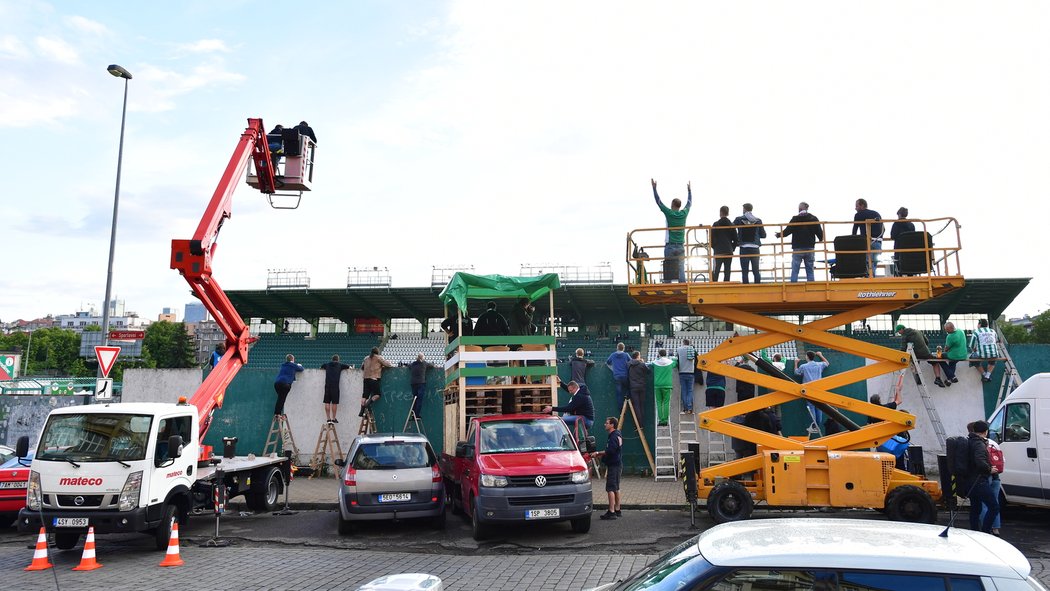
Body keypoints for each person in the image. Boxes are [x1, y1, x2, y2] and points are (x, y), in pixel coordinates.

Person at [959, 420, 999, 533]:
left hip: (969, 481)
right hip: (979, 481)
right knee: (994, 507)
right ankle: (985, 532)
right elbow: (980, 461)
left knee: (976, 508)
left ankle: (975, 531)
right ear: (985, 432)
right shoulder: (979, 444)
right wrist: (989, 469)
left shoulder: (969, 441)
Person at [651, 178, 692, 283]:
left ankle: (668, 285)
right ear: (679, 206)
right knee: (681, 267)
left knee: (668, 266)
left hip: (670, 245)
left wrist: (654, 189)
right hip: (681, 245)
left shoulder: (669, 213)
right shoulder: (684, 213)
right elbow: (689, 203)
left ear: (673, 205)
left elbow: (658, 202)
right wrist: (689, 191)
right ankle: (683, 284)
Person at [775, 202, 824, 282]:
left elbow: (787, 231)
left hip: (798, 247)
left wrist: (779, 235)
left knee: (795, 269)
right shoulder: (813, 218)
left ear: (799, 209)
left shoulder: (795, 219)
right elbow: (819, 231)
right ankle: (811, 286)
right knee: (810, 269)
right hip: (810, 247)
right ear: (807, 208)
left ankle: (793, 285)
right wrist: (820, 238)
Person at [596, 416, 623, 520]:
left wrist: (598, 453)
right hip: (617, 464)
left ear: (612, 425)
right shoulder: (617, 434)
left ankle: (611, 512)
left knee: (610, 488)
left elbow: (610, 451)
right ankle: (617, 509)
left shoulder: (613, 436)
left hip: (614, 465)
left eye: (607, 423)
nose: (605, 424)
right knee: (616, 487)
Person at [795, 351, 829, 432]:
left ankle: (814, 426)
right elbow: (827, 363)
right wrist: (821, 355)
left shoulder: (804, 366)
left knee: (811, 407)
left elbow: (796, 372)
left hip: (808, 390)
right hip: (819, 389)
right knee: (819, 407)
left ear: (807, 357)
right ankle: (817, 426)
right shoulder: (819, 365)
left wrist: (796, 363)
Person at [733, 203, 766, 284]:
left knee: (745, 271)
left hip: (744, 248)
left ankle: (745, 287)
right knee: (756, 270)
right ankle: (758, 286)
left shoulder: (739, 219)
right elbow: (763, 235)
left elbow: (730, 228)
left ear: (744, 209)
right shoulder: (758, 220)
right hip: (755, 248)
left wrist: (736, 238)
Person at [852, 198, 884, 277]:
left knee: (868, 265)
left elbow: (854, 231)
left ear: (862, 205)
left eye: (857, 206)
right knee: (874, 264)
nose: (855, 208)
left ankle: (870, 281)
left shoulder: (858, 215)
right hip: (878, 242)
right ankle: (873, 280)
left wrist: (854, 243)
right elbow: (883, 229)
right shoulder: (876, 213)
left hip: (867, 243)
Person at [360, 347, 393, 417]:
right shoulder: (378, 357)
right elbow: (388, 365)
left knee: (364, 396)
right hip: (374, 379)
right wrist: (382, 367)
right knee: (377, 394)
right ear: (377, 352)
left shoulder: (366, 358)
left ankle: (361, 411)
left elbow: (362, 367)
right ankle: (368, 405)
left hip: (365, 379)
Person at [320, 354, 351, 424]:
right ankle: (333, 418)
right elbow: (349, 367)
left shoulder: (327, 365)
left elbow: (321, 366)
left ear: (332, 359)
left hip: (327, 385)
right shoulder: (340, 365)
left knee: (327, 402)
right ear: (338, 360)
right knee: (334, 403)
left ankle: (328, 418)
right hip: (335, 386)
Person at [711, 206, 737, 282]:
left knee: (716, 269)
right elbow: (736, 239)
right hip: (728, 250)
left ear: (720, 212)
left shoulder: (716, 224)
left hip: (718, 251)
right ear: (728, 213)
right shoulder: (731, 225)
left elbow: (711, 238)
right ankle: (726, 283)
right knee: (727, 269)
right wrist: (732, 248)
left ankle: (714, 283)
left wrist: (714, 246)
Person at [651, 349, 677, 427]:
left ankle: (660, 420)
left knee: (659, 403)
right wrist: (673, 357)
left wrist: (657, 358)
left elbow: (651, 364)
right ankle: (665, 420)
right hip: (667, 385)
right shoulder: (670, 362)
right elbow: (675, 363)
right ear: (666, 354)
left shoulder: (655, 363)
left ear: (659, 354)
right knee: (666, 403)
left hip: (657, 385)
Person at [970, 318, 999, 382]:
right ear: (987, 324)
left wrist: (974, 350)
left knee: (972, 358)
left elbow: (971, 345)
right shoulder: (993, 331)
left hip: (982, 355)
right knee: (993, 359)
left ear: (979, 324)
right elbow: (996, 341)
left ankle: (984, 374)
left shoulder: (976, 332)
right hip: (994, 354)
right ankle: (987, 376)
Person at [627, 351, 651, 426]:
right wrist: (643, 362)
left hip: (633, 387)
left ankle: (638, 423)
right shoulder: (641, 364)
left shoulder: (629, 364)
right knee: (641, 405)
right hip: (641, 386)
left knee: (636, 405)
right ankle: (642, 423)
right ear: (638, 356)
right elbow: (649, 371)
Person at [889, 207, 916, 276]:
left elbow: (892, 236)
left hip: (899, 249)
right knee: (909, 264)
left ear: (899, 214)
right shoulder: (911, 225)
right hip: (910, 250)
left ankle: (899, 276)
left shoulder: (896, 224)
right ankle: (911, 277)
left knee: (898, 263)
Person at [606, 343, 632, 412]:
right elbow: (631, 362)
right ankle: (627, 396)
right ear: (623, 348)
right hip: (625, 375)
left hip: (617, 376)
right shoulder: (626, 355)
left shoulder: (613, 355)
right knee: (629, 387)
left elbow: (607, 362)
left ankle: (621, 410)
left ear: (617, 348)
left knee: (619, 393)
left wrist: (613, 369)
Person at [676, 339, 698, 414]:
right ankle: (689, 407)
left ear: (683, 343)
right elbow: (697, 357)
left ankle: (685, 408)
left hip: (682, 372)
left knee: (684, 390)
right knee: (690, 390)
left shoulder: (679, 349)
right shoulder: (692, 349)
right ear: (689, 343)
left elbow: (677, 360)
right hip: (691, 372)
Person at [408, 353, 434, 417]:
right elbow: (431, 365)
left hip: (413, 383)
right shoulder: (424, 363)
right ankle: (417, 414)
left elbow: (409, 365)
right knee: (420, 399)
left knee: (414, 399)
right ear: (422, 358)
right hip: (421, 383)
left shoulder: (413, 364)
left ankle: (413, 413)